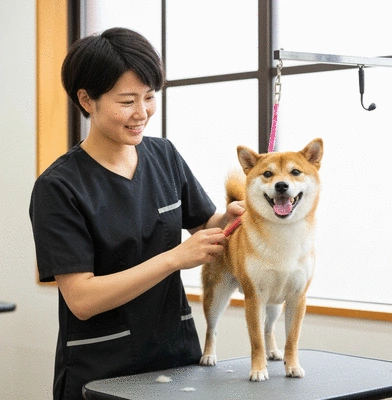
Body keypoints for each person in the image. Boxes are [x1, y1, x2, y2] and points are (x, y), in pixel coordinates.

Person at [29, 27, 244, 400]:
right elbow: (81, 299)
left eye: (149, 97)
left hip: (177, 360)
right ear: (86, 99)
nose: (142, 113)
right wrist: (174, 258)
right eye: (127, 101)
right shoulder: (59, 187)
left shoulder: (164, 156)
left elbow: (206, 225)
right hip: (102, 372)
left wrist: (233, 218)